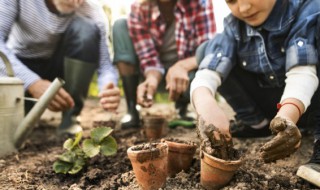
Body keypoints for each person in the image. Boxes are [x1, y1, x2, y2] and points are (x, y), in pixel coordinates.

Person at [191, 0, 320, 171]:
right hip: (274, 110)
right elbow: (207, 73)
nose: (243, 8)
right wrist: (206, 105)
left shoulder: (308, 8)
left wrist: (287, 115)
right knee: (205, 51)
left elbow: (302, 73)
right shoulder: (233, 25)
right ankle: (257, 124)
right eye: (231, 1)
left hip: (308, 103)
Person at [0, 0, 120, 135]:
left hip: (61, 68)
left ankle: (71, 117)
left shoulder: (92, 11)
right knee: (12, 128)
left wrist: (108, 86)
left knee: (86, 29)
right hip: (22, 67)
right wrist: (32, 82)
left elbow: (105, 65)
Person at [109, 0, 216, 129]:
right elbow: (148, 58)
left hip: (187, 75)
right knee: (120, 25)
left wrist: (181, 67)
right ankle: (132, 109)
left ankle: (182, 107)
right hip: (153, 74)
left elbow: (208, 50)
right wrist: (152, 78)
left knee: (206, 67)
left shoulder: (200, 3)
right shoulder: (139, 8)